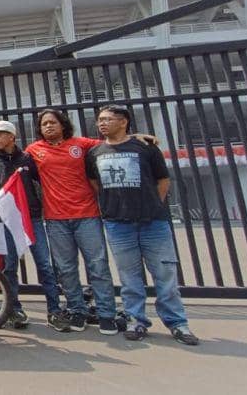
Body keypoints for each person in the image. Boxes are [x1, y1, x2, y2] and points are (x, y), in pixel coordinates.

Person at [87, 105, 199, 345]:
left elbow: (163, 180)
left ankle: (178, 323)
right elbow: (95, 182)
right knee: (129, 276)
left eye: (108, 119)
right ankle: (136, 320)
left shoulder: (145, 147)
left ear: (124, 121)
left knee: (165, 274)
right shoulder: (95, 152)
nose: (102, 123)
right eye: (100, 120)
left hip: (153, 222)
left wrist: (150, 203)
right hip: (118, 223)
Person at [25, 108, 118, 335]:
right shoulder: (35, 150)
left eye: (53, 123)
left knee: (97, 265)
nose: (48, 127)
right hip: (56, 219)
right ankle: (77, 310)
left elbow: (112, 143)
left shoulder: (82, 144)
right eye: (44, 124)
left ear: (63, 124)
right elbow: (12, 158)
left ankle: (107, 314)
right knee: (65, 269)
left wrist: (138, 137)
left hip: (87, 215)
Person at [0, 120, 68, 332]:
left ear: (12, 137)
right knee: (10, 267)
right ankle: (14, 309)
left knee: (44, 266)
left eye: (0, 134)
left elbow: (42, 182)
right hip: (6, 220)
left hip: (32, 218)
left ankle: (54, 311)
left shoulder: (28, 159)